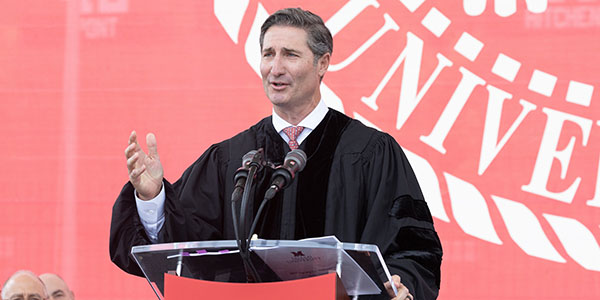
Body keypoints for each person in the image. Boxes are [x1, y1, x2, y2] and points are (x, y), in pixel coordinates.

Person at [110, 7, 442, 300]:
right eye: (268, 54)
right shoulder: (231, 157)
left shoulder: (370, 152)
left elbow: (412, 245)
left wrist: (404, 286)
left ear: (322, 63)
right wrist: (152, 197)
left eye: (290, 55)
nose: (275, 68)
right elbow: (184, 250)